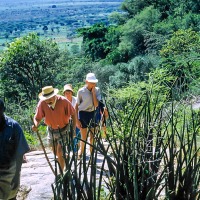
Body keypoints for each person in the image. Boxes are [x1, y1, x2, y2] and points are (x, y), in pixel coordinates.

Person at [32, 86, 76, 172]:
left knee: (60, 152)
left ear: (54, 96)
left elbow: (73, 114)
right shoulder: (42, 103)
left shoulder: (63, 101)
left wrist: (73, 129)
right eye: (46, 99)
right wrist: (35, 125)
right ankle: (65, 158)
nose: (47, 101)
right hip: (51, 130)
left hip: (64, 130)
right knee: (56, 152)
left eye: (49, 99)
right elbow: (37, 118)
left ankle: (61, 173)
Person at [0, 99, 30, 200]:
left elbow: (20, 153)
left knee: (10, 197)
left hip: (9, 173)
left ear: (3, 109)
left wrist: (17, 177)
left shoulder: (14, 127)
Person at [76, 73, 101, 158]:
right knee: (83, 136)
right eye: (91, 82)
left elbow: (96, 104)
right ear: (86, 82)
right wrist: (76, 120)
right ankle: (81, 152)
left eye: (94, 82)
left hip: (93, 113)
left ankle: (92, 153)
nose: (93, 84)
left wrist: (93, 93)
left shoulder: (97, 90)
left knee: (92, 136)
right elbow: (76, 105)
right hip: (83, 113)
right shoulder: (81, 91)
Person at [63, 84, 80, 152]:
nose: (68, 94)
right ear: (64, 93)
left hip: (76, 120)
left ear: (71, 93)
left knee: (76, 136)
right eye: (66, 93)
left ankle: (76, 151)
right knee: (68, 137)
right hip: (66, 122)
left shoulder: (76, 100)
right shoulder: (62, 101)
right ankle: (70, 151)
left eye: (69, 92)